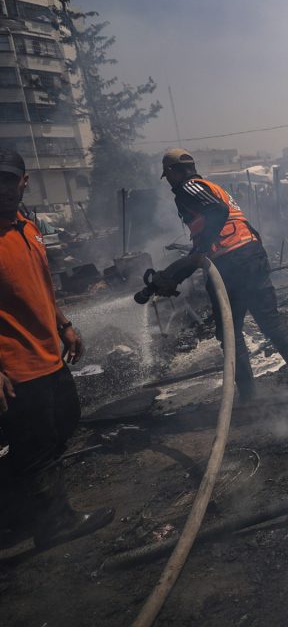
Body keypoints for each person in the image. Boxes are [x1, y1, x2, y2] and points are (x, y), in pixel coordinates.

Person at [0, 148, 114, 549]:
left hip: (49, 353)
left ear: (23, 182)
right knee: (36, 445)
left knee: (65, 421)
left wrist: (64, 324)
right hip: (16, 366)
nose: (2, 189)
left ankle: (18, 508)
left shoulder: (27, 229)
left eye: (8, 180)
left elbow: (42, 288)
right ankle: (52, 523)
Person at [149, 149, 288, 400]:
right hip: (250, 254)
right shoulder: (210, 185)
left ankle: (249, 397)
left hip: (232, 261)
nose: (170, 182)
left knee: (229, 332)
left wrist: (204, 246)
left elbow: (217, 212)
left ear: (174, 172)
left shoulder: (189, 187)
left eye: (169, 176)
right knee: (269, 321)